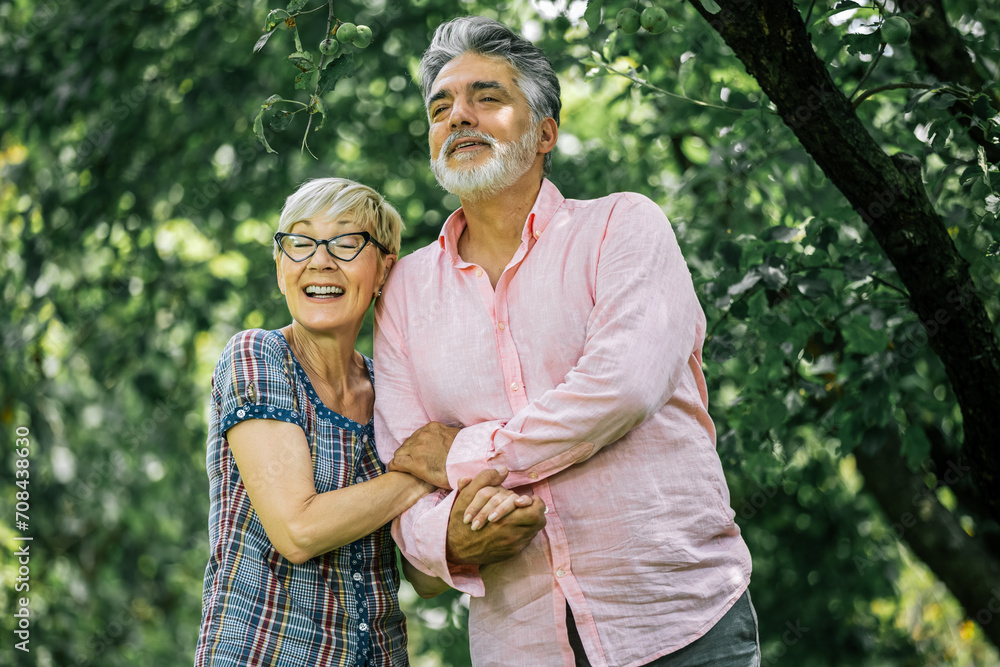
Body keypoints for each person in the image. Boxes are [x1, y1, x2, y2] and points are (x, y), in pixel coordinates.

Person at [373, 17, 759, 667]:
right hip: (519, 646)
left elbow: (620, 388)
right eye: (441, 107)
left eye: (486, 98)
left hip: (680, 622)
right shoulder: (406, 290)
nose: (458, 115)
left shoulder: (622, 227)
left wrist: (464, 454)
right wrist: (452, 535)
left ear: (545, 131)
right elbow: (406, 467)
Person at [194, 177, 527, 667]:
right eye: (300, 242)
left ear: (383, 271)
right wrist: (423, 471)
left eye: (347, 243)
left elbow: (426, 580)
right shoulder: (258, 356)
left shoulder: (394, 390)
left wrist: (479, 515)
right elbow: (298, 530)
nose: (319, 260)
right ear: (281, 264)